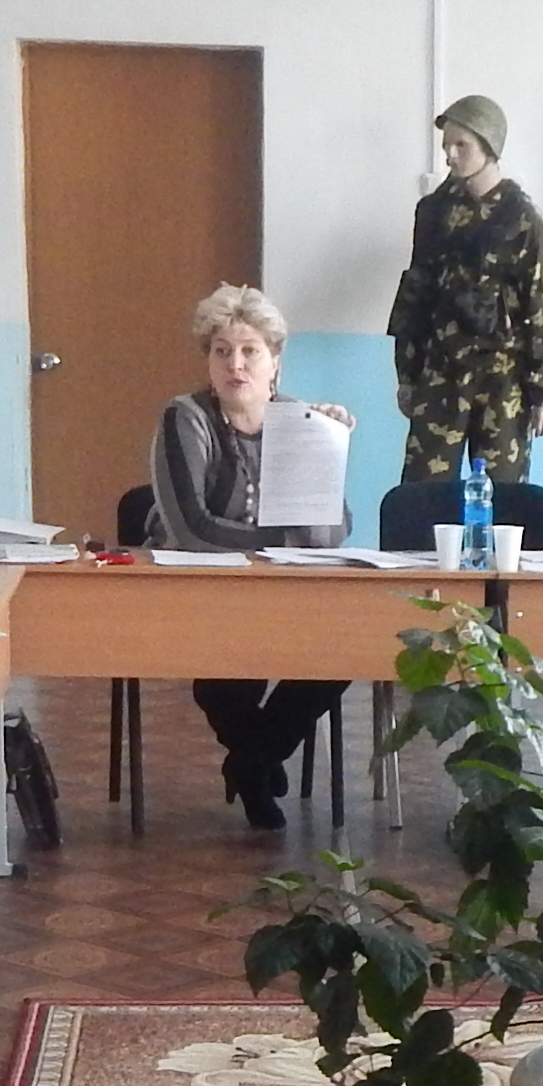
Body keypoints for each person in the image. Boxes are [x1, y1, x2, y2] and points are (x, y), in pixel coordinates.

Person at [149, 283, 352, 828]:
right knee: (225, 676)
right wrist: (283, 543)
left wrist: (327, 449)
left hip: (280, 588)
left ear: (274, 362)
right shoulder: (187, 417)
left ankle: (252, 760)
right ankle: (259, 764)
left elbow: (332, 531)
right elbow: (190, 528)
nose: (235, 364)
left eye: (249, 351)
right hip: (199, 586)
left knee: (342, 653)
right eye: (222, 351)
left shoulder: (301, 420)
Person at [389, 95, 543, 485]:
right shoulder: (433, 212)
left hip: (504, 378)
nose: (450, 156)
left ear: (489, 147)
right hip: (440, 371)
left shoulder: (524, 219)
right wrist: (407, 372)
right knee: (422, 491)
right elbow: (416, 293)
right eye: (447, 146)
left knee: (502, 495)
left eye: (462, 145)